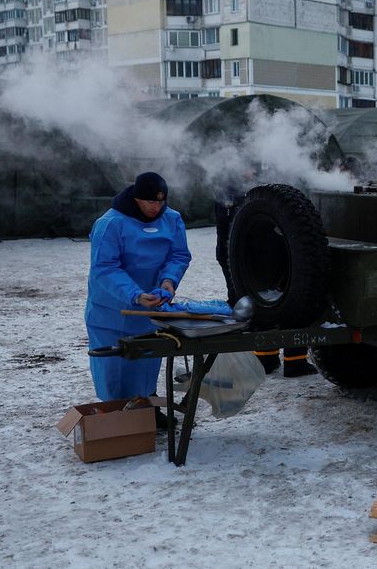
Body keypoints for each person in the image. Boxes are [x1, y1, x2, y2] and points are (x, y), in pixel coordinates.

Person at [85, 172, 192, 426]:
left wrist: (168, 281)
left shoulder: (172, 219)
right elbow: (105, 268)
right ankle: (115, 416)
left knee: (146, 363)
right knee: (114, 368)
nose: (156, 207)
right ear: (136, 199)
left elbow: (178, 256)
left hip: (151, 308)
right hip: (111, 310)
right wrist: (133, 295)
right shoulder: (111, 224)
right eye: (150, 202)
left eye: (161, 202)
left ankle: (147, 409)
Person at [214, 173, 316, 378]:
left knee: (260, 306)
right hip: (253, 257)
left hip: (241, 257)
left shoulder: (237, 188)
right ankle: (290, 361)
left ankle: (267, 358)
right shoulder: (241, 192)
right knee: (294, 301)